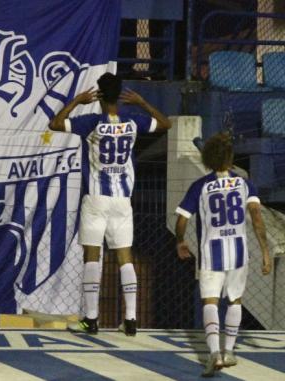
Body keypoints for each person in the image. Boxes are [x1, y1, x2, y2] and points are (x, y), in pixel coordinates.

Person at [48, 73, 171, 335]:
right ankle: (131, 319)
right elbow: (166, 124)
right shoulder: (132, 121)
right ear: (121, 95)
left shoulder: (91, 122)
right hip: (122, 200)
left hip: (96, 199)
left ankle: (91, 319)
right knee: (125, 258)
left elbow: (55, 124)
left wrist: (76, 102)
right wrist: (142, 103)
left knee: (92, 256)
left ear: (100, 96)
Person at [174, 132, 272, 377]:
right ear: (230, 159)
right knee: (235, 300)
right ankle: (229, 351)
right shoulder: (245, 184)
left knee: (210, 301)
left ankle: (214, 353)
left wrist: (180, 241)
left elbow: (182, 219)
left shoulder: (200, 186)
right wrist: (265, 252)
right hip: (239, 252)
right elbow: (257, 217)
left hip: (211, 253)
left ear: (207, 160)